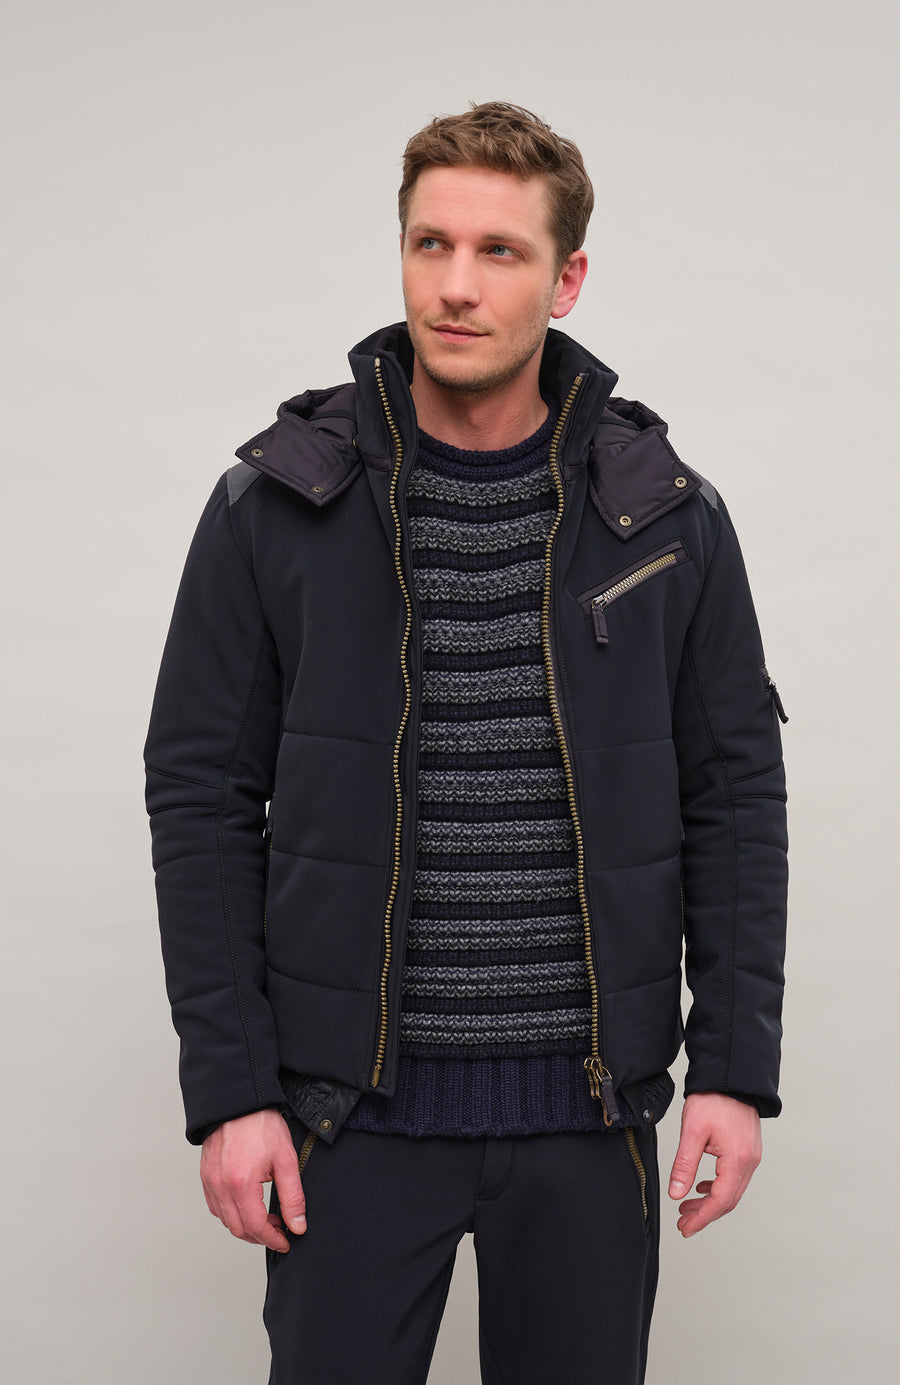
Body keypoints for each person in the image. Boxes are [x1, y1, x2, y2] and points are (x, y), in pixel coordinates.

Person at [145, 101, 788, 1384]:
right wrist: (234, 1089)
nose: (455, 284)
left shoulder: (665, 515)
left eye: (500, 251)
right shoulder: (276, 501)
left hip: (589, 1115)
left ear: (567, 277)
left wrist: (730, 1069)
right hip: (347, 1119)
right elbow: (202, 799)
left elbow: (734, 798)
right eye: (429, 243)